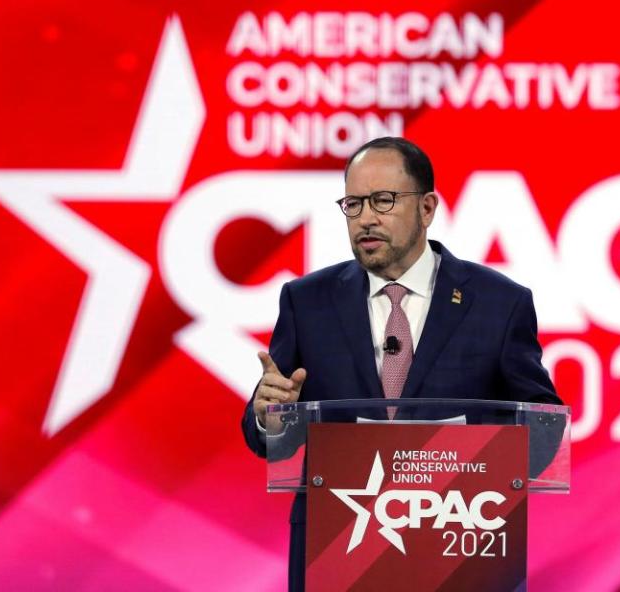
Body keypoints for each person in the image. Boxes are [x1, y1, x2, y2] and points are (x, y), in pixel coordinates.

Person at [240, 136, 562, 590]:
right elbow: (273, 436)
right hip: (336, 554)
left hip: (459, 552)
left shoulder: (498, 302)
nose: (366, 218)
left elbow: (545, 427)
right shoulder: (306, 302)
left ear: (427, 208)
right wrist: (271, 416)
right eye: (353, 204)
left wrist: (471, 467)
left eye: (383, 201)